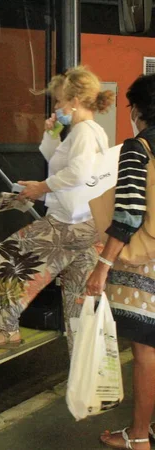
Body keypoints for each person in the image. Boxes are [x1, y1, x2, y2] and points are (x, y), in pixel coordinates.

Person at [0, 66, 114, 354]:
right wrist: (52, 134)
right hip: (88, 225)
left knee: (7, 257)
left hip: (67, 225)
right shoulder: (91, 131)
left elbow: (78, 173)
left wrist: (40, 187)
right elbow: (57, 159)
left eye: (59, 101)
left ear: (74, 101)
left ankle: (8, 330)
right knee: (77, 297)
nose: (57, 107)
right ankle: (86, 367)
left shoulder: (84, 132)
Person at [86, 74, 155, 450]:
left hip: (147, 262)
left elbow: (128, 212)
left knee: (145, 351)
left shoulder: (138, 147)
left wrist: (103, 266)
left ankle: (139, 436)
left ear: (140, 109)